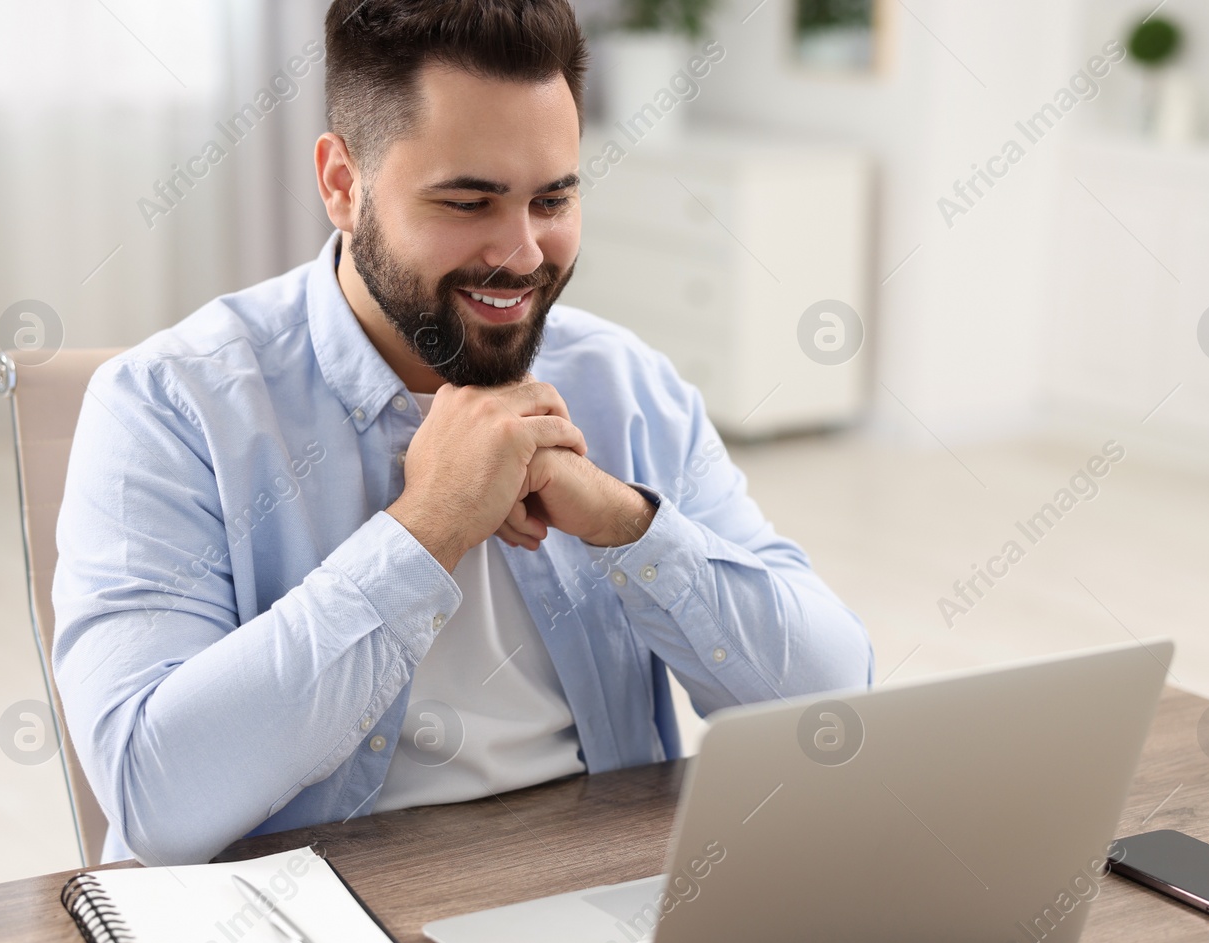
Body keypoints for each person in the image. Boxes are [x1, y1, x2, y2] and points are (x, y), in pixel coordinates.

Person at [52, 0, 873, 866]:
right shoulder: (165, 406)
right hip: (313, 941)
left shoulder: (627, 386)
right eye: (469, 201)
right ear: (342, 184)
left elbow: (831, 711)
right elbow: (156, 800)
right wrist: (426, 529)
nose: (521, 253)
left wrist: (627, 523)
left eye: (552, 198)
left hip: (600, 905)